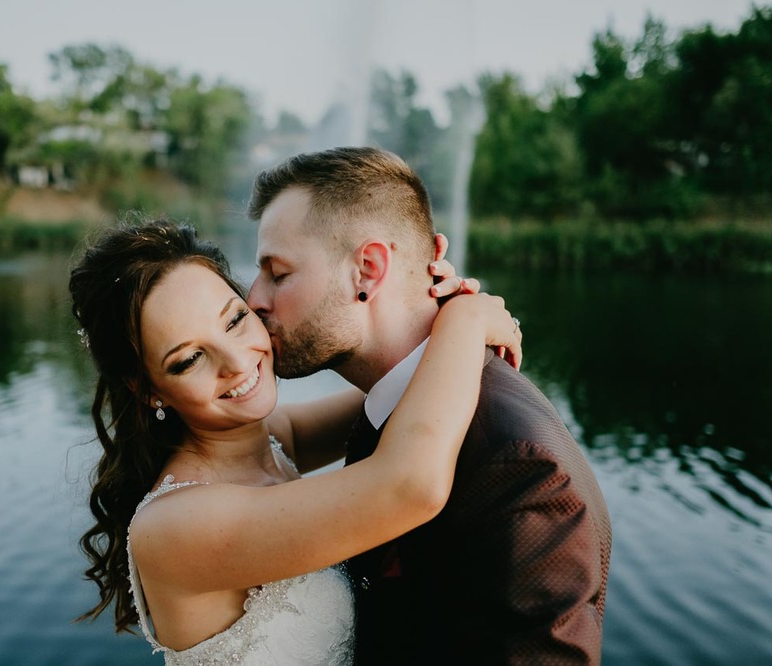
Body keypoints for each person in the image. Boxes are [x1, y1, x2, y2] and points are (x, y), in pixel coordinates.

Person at [68, 217, 521, 664]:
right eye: (190, 360)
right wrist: (464, 323)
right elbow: (408, 487)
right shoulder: (173, 528)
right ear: (147, 389)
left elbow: (401, 388)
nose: (237, 362)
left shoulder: (274, 440)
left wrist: (422, 306)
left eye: (235, 320)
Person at [246, 146, 612, 665]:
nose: (253, 298)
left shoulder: (519, 466)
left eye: (277, 273)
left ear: (367, 271)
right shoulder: (393, 399)